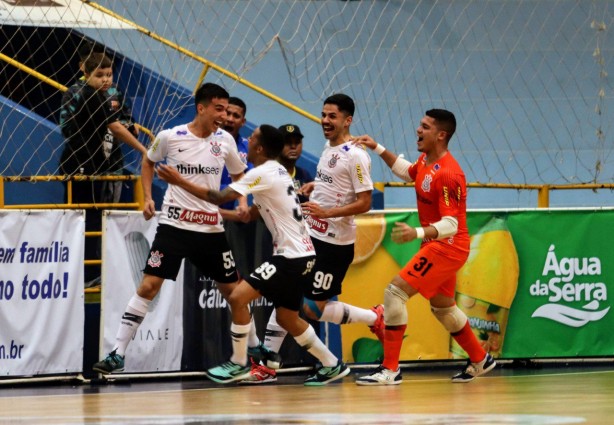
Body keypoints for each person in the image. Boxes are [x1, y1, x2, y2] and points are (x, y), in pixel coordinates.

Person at [156, 124, 350, 386]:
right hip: (304, 254)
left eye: (252, 138)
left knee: (237, 296)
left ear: (258, 148)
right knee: (287, 318)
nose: (246, 140)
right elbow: (271, 204)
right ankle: (331, 364)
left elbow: (217, 196)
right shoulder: (278, 170)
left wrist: (178, 180)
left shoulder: (261, 173)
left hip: (290, 257)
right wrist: (250, 212)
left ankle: (238, 363)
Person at [92, 82, 264, 374]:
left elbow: (238, 173)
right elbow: (148, 162)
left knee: (234, 292)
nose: (223, 115)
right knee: (148, 286)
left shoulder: (225, 141)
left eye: (226, 109)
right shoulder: (171, 137)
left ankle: (255, 345)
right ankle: (117, 354)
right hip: (174, 227)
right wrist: (147, 197)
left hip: (210, 231)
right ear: (202, 108)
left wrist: (243, 201)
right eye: (218, 108)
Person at [240, 94, 385, 384]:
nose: (325, 121)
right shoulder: (330, 147)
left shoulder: (356, 155)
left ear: (348, 120)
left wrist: (328, 211)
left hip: (334, 246)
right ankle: (267, 365)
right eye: (323, 115)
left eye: (332, 116)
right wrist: (316, 186)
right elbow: (337, 182)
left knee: (310, 310)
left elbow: (365, 202)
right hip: (311, 237)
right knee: (287, 301)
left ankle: (374, 318)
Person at [353, 109, 496, 385]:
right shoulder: (426, 161)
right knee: (443, 308)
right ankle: (480, 358)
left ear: (441, 135)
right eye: (420, 125)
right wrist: (377, 147)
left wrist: (416, 232)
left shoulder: (449, 174)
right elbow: (407, 172)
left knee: (394, 293)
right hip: (438, 244)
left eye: (425, 127)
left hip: (447, 246)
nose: (418, 130)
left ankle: (390, 370)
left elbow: (451, 224)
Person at [59, 50, 146, 285]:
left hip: (104, 165)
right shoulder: (86, 95)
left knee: (101, 218)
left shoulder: (106, 93)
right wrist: (144, 150)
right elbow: (115, 127)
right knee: (85, 219)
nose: (106, 80)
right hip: (81, 167)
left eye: (109, 75)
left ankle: (97, 271)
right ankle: (86, 273)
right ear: (85, 73)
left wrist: (128, 127)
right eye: (100, 75)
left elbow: (123, 122)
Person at [218, 97, 256, 278]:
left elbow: (250, 182)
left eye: (236, 115)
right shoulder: (206, 141)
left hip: (235, 223)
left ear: (243, 121)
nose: (230, 119)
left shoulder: (248, 148)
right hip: (205, 216)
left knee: (236, 276)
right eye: (227, 113)